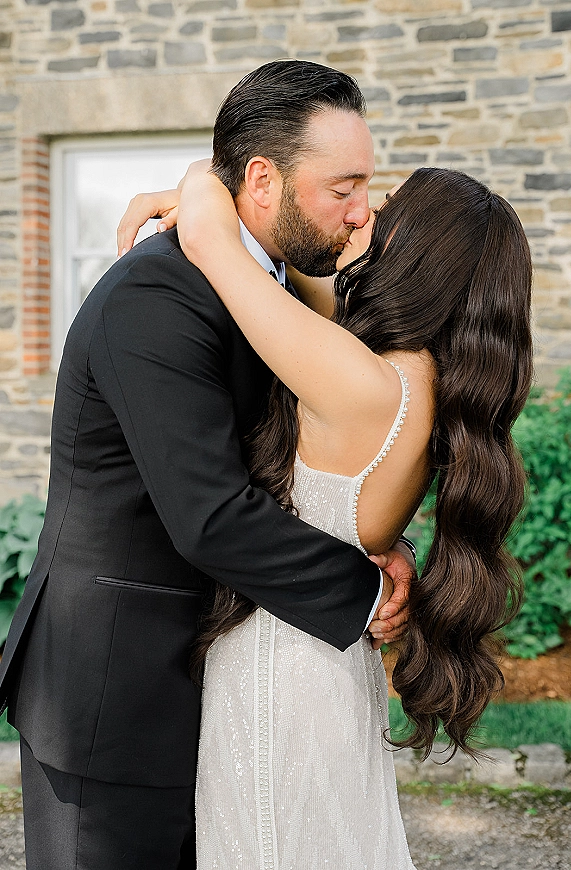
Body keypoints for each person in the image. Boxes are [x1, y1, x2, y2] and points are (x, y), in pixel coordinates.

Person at [0, 61, 416, 870]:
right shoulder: (155, 295)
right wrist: (363, 589)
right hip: (112, 693)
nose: (362, 212)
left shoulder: (265, 286)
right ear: (262, 181)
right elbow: (210, 513)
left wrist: (362, 534)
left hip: (200, 680)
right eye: (345, 187)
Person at [119, 159, 533, 869]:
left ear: (421, 258)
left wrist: (197, 185)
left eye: (387, 209)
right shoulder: (411, 377)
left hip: (279, 677)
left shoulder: (360, 380)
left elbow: (220, 250)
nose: (362, 214)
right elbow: (283, 263)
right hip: (328, 664)